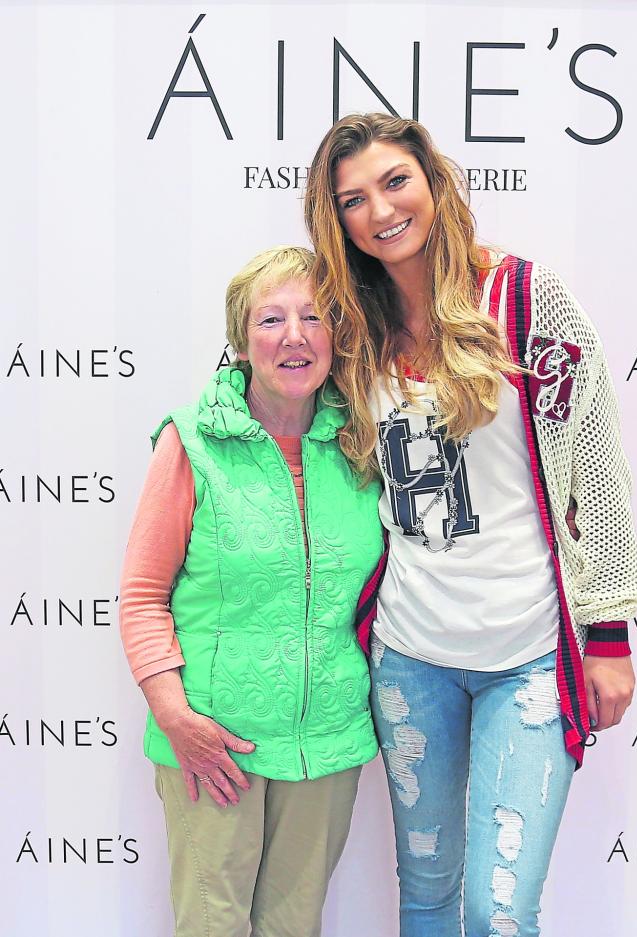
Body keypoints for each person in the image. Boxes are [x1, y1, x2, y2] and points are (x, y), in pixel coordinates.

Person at [303, 114, 637, 937]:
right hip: (409, 653)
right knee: (425, 888)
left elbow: (596, 467)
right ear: (336, 219)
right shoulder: (351, 328)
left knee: (500, 910)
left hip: (527, 654)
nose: (381, 210)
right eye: (353, 199)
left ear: (433, 182)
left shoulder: (525, 298)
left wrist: (609, 634)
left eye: (395, 181)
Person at [119, 246, 387, 937]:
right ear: (241, 343)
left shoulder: (364, 446)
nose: (295, 335)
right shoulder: (191, 442)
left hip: (326, 742)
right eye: (271, 319)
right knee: (213, 927)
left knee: (294, 928)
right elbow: (143, 595)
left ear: (337, 336)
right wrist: (175, 717)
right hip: (214, 742)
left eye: (315, 317)